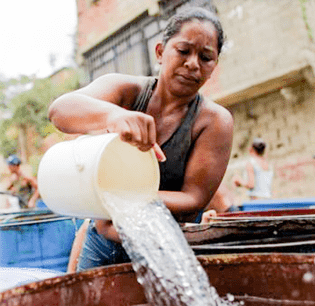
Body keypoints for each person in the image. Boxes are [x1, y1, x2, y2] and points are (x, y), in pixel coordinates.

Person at [49, 6, 233, 271]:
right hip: (103, 244)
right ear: (160, 52)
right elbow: (59, 111)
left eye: (206, 57)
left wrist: (116, 200)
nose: (193, 63)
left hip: (162, 246)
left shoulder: (213, 121)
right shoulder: (128, 91)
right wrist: (112, 116)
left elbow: (193, 199)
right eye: (183, 51)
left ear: (213, 67)